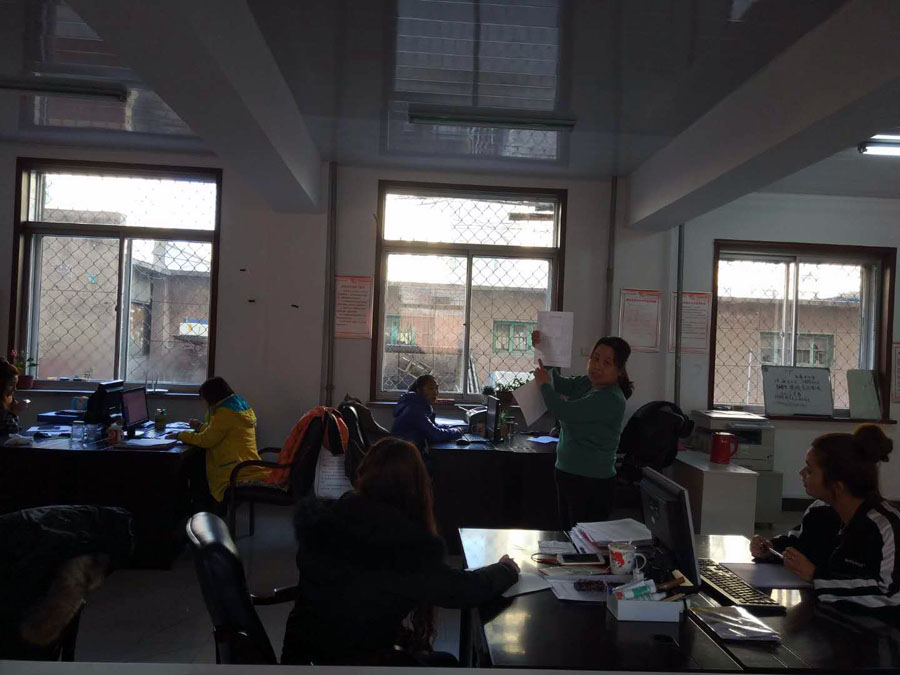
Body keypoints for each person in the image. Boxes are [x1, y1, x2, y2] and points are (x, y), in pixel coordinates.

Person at [281, 437, 520, 666]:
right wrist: (504, 570)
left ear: (363, 474)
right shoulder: (405, 546)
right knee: (447, 663)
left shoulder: (327, 521)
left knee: (443, 661)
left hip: (303, 656)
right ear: (417, 487)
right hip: (356, 663)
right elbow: (460, 590)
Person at [750, 425, 900, 613]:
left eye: (810, 470)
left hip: (872, 627)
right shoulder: (819, 510)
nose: (801, 473)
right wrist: (770, 549)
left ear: (838, 484)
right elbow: (798, 543)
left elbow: (889, 595)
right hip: (821, 616)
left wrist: (816, 576)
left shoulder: (885, 527)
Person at [532, 333, 633, 530]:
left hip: (591, 481)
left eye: (607, 363)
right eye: (595, 358)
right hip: (567, 473)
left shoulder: (610, 399)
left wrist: (544, 385)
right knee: (567, 534)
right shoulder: (588, 383)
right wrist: (543, 350)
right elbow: (558, 383)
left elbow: (563, 411)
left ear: (619, 370)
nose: (597, 366)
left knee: (584, 541)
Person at [171, 376, 270, 510]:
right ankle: (201, 510)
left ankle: (201, 512)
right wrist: (199, 426)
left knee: (195, 468)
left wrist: (179, 435)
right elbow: (219, 431)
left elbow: (206, 440)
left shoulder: (224, 413)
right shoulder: (240, 405)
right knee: (197, 462)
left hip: (233, 469)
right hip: (245, 461)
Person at [391, 374, 463, 453]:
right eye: (431, 388)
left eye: (437, 388)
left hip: (409, 452)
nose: (435, 392)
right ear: (419, 390)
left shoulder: (416, 405)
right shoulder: (414, 409)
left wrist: (452, 428)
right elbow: (436, 435)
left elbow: (433, 425)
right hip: (407, 455)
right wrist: (457, 432)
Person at [0, 358, 28, 435]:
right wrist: (14, 412)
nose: (15, 389)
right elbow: (11, 432)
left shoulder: (9, 397)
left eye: (16, 384)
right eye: (11, 385)